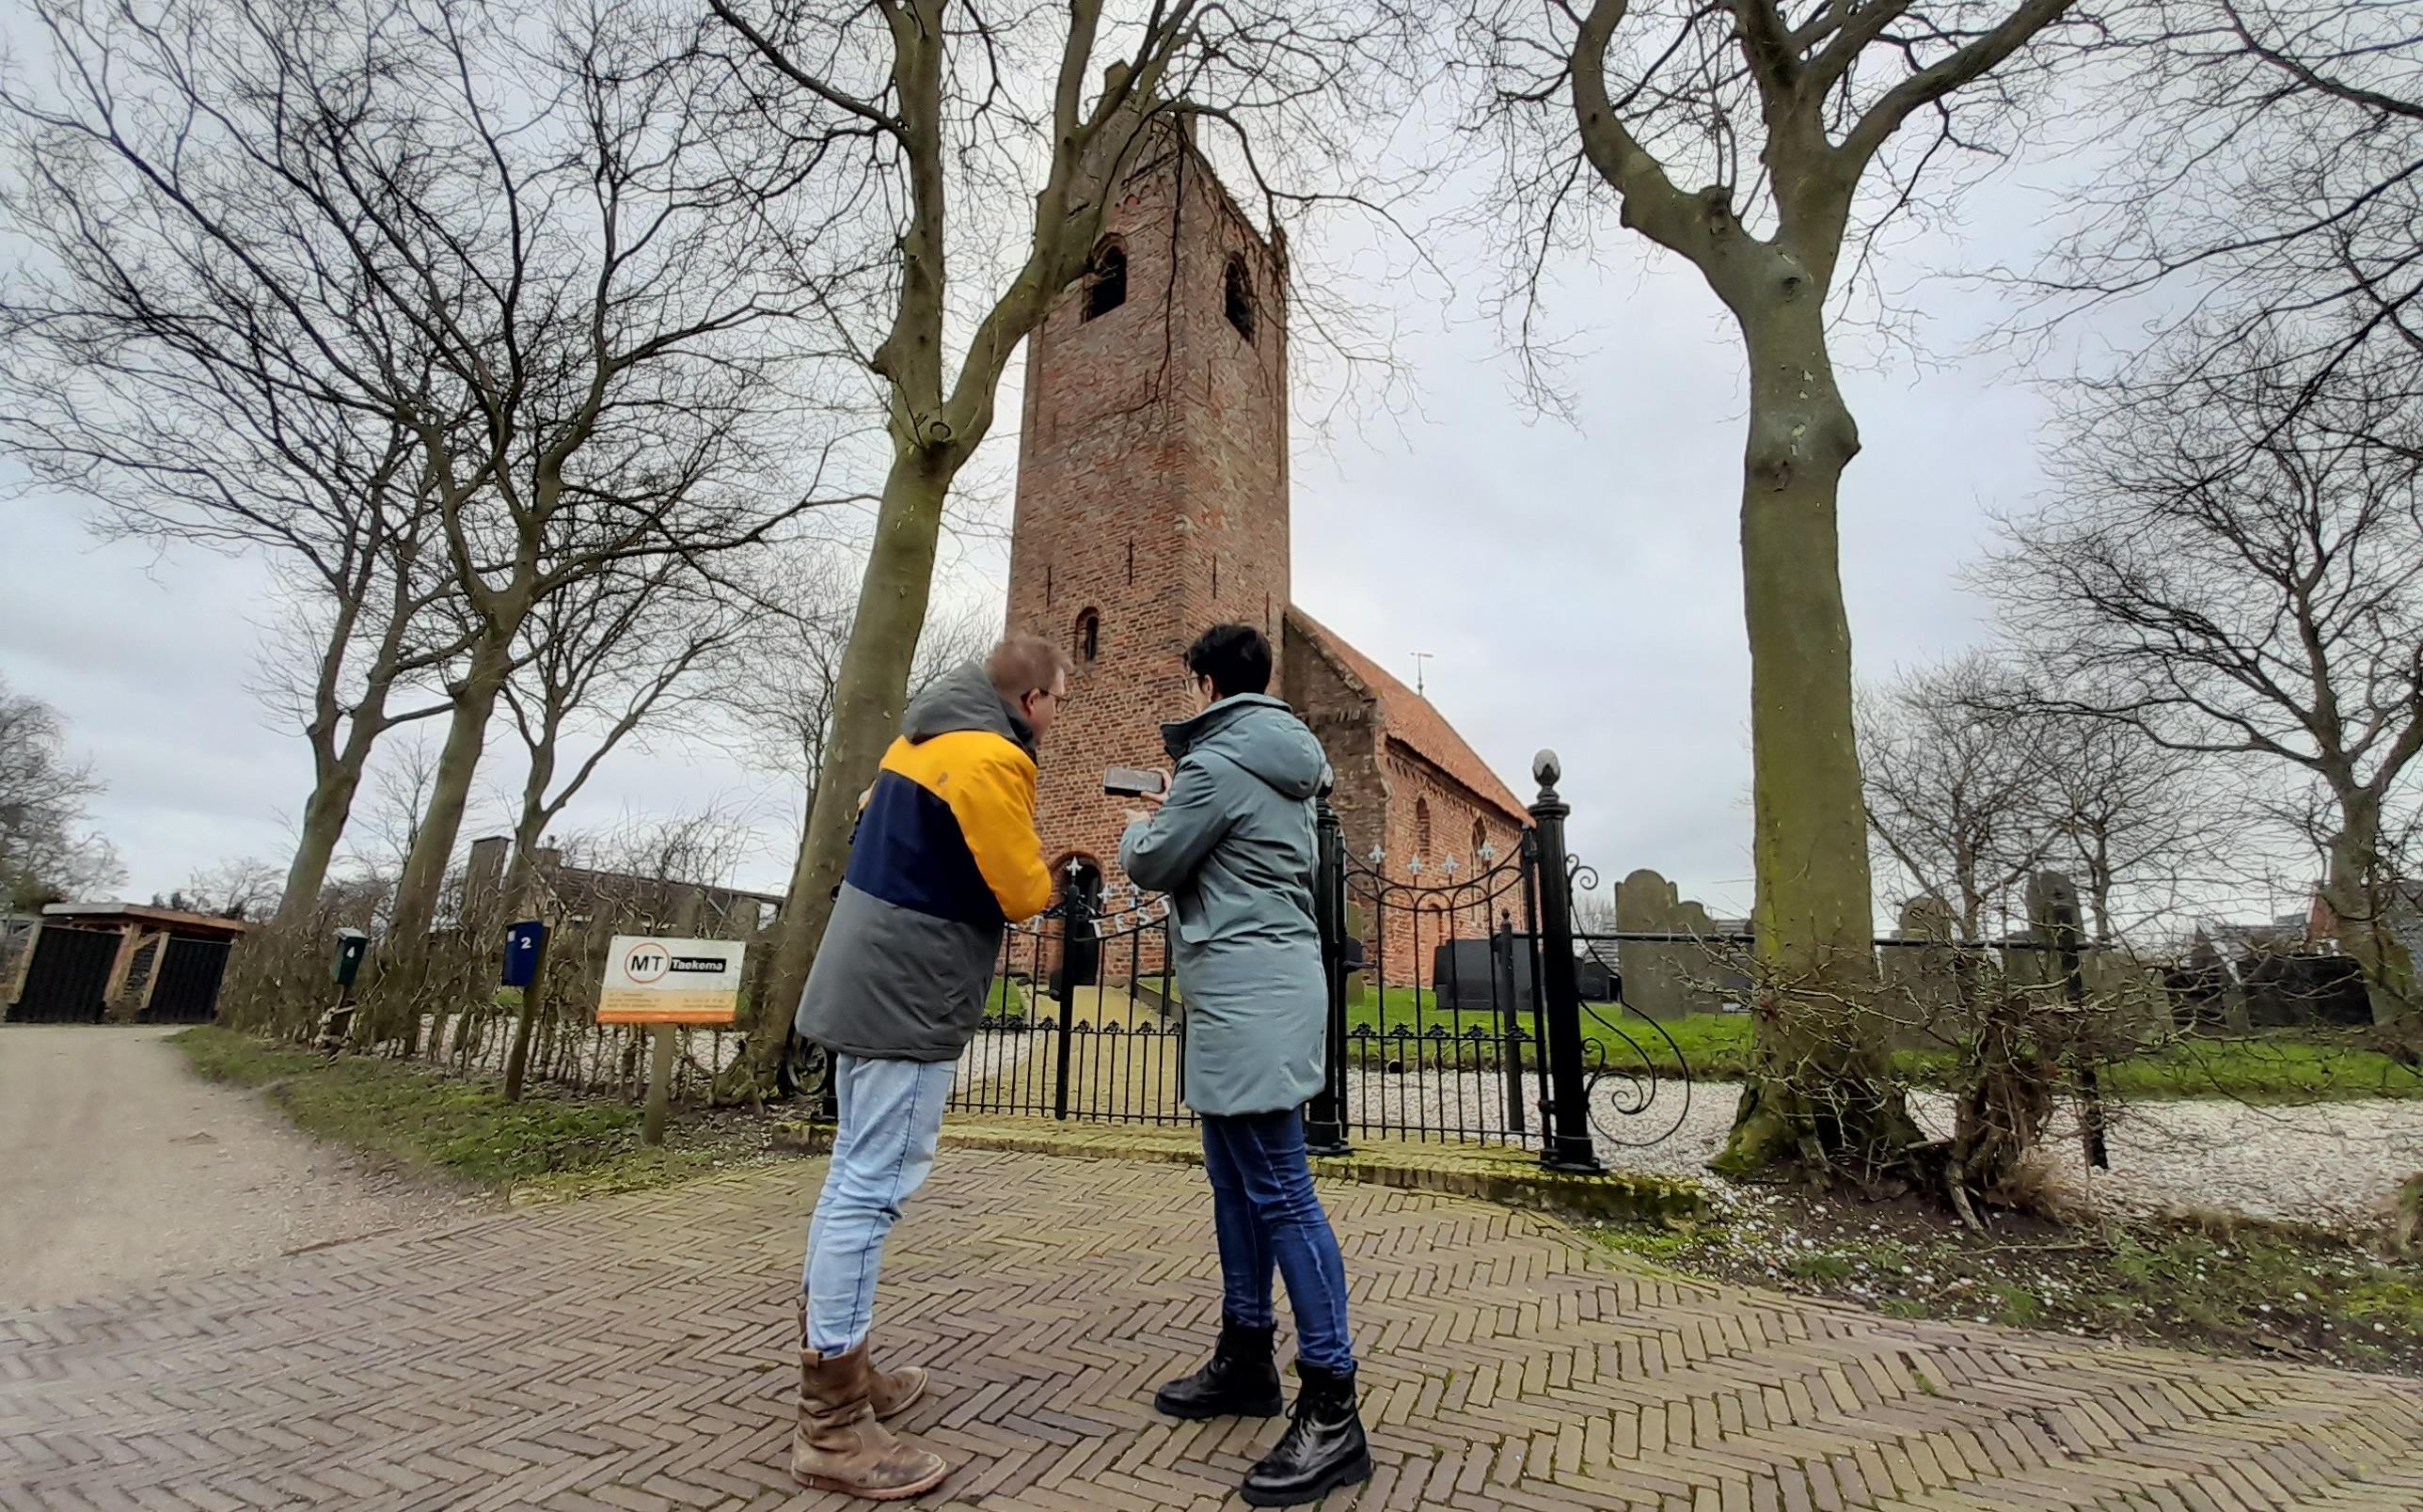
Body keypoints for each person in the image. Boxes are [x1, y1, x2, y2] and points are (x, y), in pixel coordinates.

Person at [788, 636, 1066, 1499]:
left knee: (849, 1179)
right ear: (1033, 700)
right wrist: (1051, 872)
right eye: (1059, 702)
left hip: (865, 977)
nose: (1059, 718)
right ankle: (830, 1424)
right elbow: (1023, 893)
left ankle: (845, 1366)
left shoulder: (916, 741)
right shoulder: (991, 758)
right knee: (873, 1187)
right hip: (908, 992)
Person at [1118, 622, 1371, 1509]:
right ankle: (1245, 1355)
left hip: (1248, 993)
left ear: (1206, 686)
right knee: (1237, 1181)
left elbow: (1153, 862)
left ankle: (1332, 1406)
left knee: (1282, 1189)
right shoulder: (1283, 762)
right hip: (1255, 986)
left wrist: (1132, 821)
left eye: (1192, 687)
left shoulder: (1216, 765)